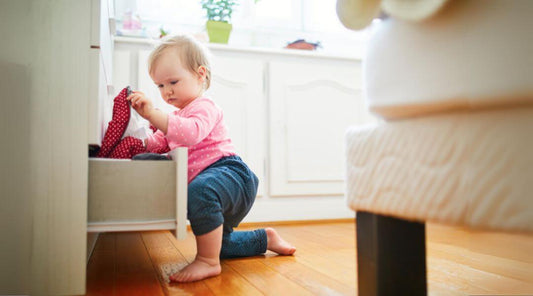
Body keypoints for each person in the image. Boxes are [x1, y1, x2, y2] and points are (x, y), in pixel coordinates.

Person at [127, 35, 296, 283]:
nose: (167, 91)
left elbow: (190, 132)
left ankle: (207, 262)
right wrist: (137, 140)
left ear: (200, 75)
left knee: (200, 190)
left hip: (231, 175)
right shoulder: (176, 117)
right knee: (220, 244)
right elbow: (161, 143)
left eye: (173, 81)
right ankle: (265, 238)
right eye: (160, 86)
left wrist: (154, 114)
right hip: (213, 186)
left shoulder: (204, 107)